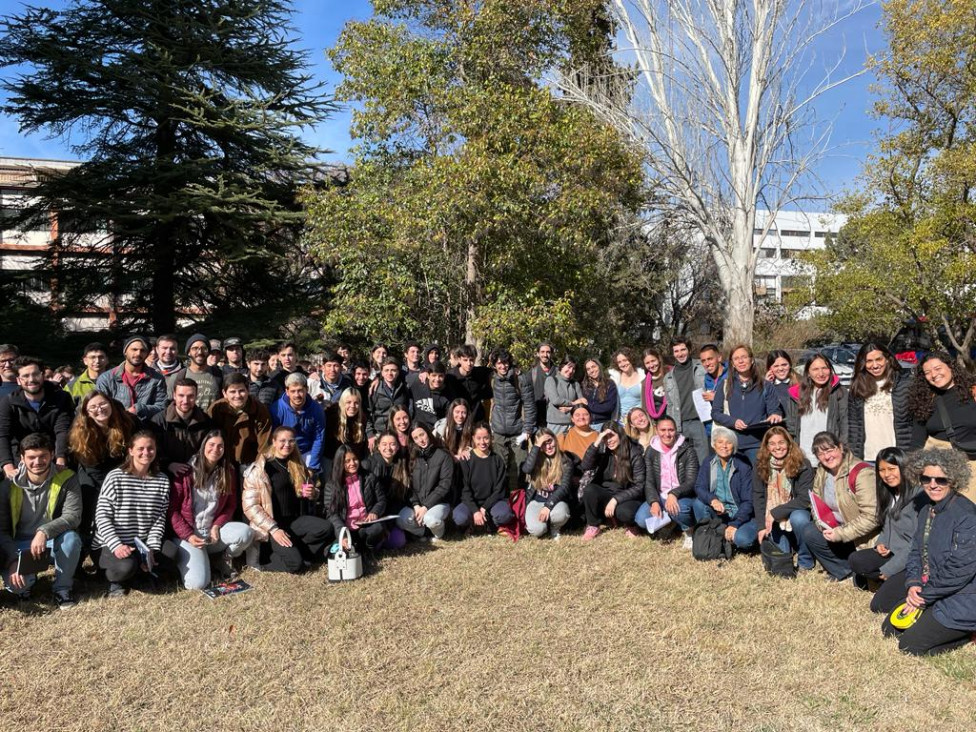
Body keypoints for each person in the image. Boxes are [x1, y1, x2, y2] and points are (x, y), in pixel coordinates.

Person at [875, 449, 976, 656]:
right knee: (889, 630)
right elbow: (915, 552)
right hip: (931, 588)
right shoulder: (926, 509)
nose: (933, 484)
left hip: (962, 596)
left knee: (909, 646)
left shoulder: (967, 516)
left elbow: (960, 570)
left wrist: (924, 595)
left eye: (941, 479)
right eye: (926, 478)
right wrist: (913, 584)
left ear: (954, 479)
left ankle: (966, 633)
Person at [0, 433, 82, 608]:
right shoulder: (8, 485)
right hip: (19, 546)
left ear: (52, 455)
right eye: (31, 457)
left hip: (51, 542)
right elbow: (2, 530)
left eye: (43, 456)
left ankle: (62, 589)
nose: (37, 462)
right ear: (21, 458)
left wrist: (44, 531)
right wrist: (14, 559)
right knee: (17, 587)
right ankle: (27, 582)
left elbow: (73, 516)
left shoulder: (67, 477)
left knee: (71, 539)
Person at [241, 426, 333, 573]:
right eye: (282, 441)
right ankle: (266, 560)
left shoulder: (297, 463)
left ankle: (300, 553)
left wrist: (312, 493)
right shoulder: (260, 470)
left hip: (293, 522)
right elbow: (250, 507)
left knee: (326, 528)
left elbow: (312, 490)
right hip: (272, 527)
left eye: (291, 441)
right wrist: (274, 529)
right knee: (296, 565)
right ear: (274, 442)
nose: (287, 445)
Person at [169, 431, 253, 589]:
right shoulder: (186, 472)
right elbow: (172, 510)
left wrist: (216, 526)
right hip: (189, 534)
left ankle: (221, 559)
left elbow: (230, 505)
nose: (216, 449)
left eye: (220, 446)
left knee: (246, 533)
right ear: (203, 447)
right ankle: (195, 559)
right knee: (197, 584)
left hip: (212, 532)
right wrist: (189, 535)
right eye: (211, 445)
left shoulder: (228, 471)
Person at [93, 431, 172, 598]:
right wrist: (116, 545)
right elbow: (102, 516)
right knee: (126, 566)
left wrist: (151, 548)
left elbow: (159, 518)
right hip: (110, 543)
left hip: (141, 543)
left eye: (150, 448)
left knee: (171, 553)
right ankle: (116, 581)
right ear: (130, 451)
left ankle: (140, 571)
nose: (146, 452)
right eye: (140, 448)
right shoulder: (116, 477)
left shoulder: (162, 480)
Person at [801, 431, 880, 580]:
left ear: (841, 448)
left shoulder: (862, 473)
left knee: (864, 579)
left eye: (830, 450)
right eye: (820, 453)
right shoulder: (822, 472)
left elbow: (872, 517)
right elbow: (816, 503)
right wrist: (822, 525)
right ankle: (844, 571)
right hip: (836, 528)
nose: (827, 456)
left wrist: (840, 533)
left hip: (863, 536)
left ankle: (859, 571)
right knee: (810, 531)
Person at [68, 392, 136, 548]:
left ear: (110, 404)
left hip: (123, 472)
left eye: (103, 404)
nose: (99, 409)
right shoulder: (81, 432)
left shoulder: (127, 422)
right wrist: (110, 488)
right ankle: (85, 541)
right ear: (86, 411)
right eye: (93, 407)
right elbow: (90, 466)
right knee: (90, 497)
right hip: (92, 474)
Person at [848, 447, 923, 588]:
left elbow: (917, 543)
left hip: (911, 557)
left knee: (880, 604)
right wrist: (880, 544)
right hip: (891, 553)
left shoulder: (919, 496)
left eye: (891, 468)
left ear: (903, 467)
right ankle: (883, 580)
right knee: (855, 560)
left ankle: (890, 580)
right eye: (882, 470)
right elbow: (886, 527)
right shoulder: (889, 493)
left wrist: (888, 570)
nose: (886, 474)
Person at [908, 351, 976, 499]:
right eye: (927, 372)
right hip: (939, 475)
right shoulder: (925, 401)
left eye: (938, 368)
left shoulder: (973, 392)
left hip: (972, 469)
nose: (933, 374)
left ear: (951, 367)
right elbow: (916, 443)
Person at [751, 426, 816, 570]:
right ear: (767, 447)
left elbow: (805, 499)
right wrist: (761, 526)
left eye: (781, 442)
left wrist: (775, 512)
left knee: (799, 519)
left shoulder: (802, 464)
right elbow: (758, 495)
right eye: (772, 444)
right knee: (781, 558)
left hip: (795, 509)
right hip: (772, 516)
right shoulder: (760, 465)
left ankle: (805, 560)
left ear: (788, 443)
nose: (777, 447)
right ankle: (790, 548)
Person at [0, 356, 75, 479]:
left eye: (35, 374)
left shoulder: (61, 397)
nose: (31, 379)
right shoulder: (8, 402)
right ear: (18, 380)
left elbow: (62, 429)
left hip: (54, 456)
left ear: (43, 375)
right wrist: (7, 466)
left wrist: (61, 458)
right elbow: (3, 435)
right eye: (25, 376)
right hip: (20, 459)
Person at [711, 344, 784, 465]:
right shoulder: (724, 385)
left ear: (751, 360)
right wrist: (732, 421)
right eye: (736, 358)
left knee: (757, 481)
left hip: (757, 444)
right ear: (732, 363)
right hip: (731, 444)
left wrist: (775, 415)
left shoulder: (766, 386)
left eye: (744, 357)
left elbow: (774, 410)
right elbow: (715, 413)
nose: (741, 361)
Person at [635, 415, 700, 544]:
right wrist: (653, 501)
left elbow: (692, 481)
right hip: (660, 495)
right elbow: (649, 481)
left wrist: (674, 493)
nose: (667, 434)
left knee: (679, 509)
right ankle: (670, 523)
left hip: (682, 495)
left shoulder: (687, 450)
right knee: (641, 520)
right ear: (657, 430)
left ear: (676, 430)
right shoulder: (651, 451)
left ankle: (688, 530)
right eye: (663, 430)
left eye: (670, 430)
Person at [690, 426, 757, 551]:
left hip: (740, 514)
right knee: (699, 504)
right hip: (719, 512)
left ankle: (728, 535)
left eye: (729, 443)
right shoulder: (708, 462)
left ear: (734, 446)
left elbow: (748, 501)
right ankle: (709, 535)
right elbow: (699, 487)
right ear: (714, 445)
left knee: (743, 540)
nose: (724, 446)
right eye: (720, 442)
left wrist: (735, 524)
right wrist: (713, 500)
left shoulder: (743, 467)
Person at [847, 342, 914, 460]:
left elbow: (914, 423)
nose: (875, 365)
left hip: (898, 457)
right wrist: (854, 456)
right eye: (869, 361)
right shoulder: (857, 388)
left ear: (887, 359)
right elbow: (854, 425)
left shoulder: (904, 384)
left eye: (879, 359)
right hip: (868, 457)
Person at [580, 423, 646, 540]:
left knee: (625, 513)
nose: (608, 440)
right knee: (590, 490)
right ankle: (593, 525)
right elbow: (585, 466)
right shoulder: (602, 450)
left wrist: (616, 499)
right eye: (605, 437)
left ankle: (630, 525)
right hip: (606, 493)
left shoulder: (634, 452)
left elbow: (639, 486)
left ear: (620, 435)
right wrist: (597, 442)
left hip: (627, 496)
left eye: (611, 436)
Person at [784, 353, 849, 465]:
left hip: (830, 456)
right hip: (803, 455)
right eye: (815, 369)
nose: (821, 373)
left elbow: (845, 423)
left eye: (825, 368)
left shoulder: (839, 392)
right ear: (808, 373)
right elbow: (791, 425)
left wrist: (842, 449)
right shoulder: (796, 393)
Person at [324, 445, 389, 554]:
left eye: (355, 459)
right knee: (335, 552)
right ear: (340, 463)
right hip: (346, 528)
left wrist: (374, 512)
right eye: (347, 461)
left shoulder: (370, 477)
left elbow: (381, 500)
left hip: (365, 526)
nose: (352, 463)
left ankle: (368, 549)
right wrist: (342, 534)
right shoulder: (332, 485)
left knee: (378, 528)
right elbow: (332, 513)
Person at [488, 349, 536, 493]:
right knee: (499, 467)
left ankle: (518, 500)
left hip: (518, 430)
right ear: (494, 365)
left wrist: (528, 429)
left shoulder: (520, 378)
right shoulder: (491, 378)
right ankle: (500, 499)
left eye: (506, 363)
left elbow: (529, 404)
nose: (503, 367)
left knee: (519, 466)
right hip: (498, 430)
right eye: (499, 364)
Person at [397, 423, 454, 541]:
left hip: (439, 502)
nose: (421, 440)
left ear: (428, 433)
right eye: (416, 438)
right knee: (401, 518)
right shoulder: (413, 458)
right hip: (419, 505)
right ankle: (425, 533)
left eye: (422, 435)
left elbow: (444, 485)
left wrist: (426, 506)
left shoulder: (443, 455)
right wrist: (416, 505)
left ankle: (439, 534)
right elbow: (410, 486)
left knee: (431, 520)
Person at [454, 423, 515, 533]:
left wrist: (484, 508)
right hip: (471, 502)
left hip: (492, 502)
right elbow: (465, 490)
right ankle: (473, 523)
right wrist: (475, 510)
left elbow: (499, 490)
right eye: (478, 438)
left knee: (504, 514)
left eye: (486, 438)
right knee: (459, 517)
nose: (482, 442)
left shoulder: (497, 460)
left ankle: (491, 524)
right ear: (473, 438)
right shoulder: (466, 460)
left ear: (491, 438)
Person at [95, 335, 168, 420]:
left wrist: (139, 409)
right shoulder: (106, 378)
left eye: (142, 350)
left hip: (146, 428)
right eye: (134, 349)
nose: (138, 354)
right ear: (125, 352)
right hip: (116, 427)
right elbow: (100, 406)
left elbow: (161, 407)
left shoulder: (157, 379)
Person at [207, 373, 273, 466]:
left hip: (249, 461)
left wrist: (258, 467)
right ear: (224, 393)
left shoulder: (259, 410)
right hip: (221, 459)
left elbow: (265, 444)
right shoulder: (216, 409)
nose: (237, 396)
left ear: (248, 390)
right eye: (232, 392)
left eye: (241, 391)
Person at [663, 338, 709, 464]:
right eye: (676, 351)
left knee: (703, 461)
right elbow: (670, 404)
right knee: (685, 463)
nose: (680, 353)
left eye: (683, 349)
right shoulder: (668, 377)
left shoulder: (701, 367)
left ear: (689, 350)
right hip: (680, 425)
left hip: (699, 421)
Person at [149, 378, 212, 470]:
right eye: (181, 395)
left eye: (190, 396)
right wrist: (168, 464)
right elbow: (153, 449)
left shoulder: (206, 422)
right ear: (174, 395)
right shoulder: (158, 421)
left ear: (196, 396)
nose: (185, 401)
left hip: (197, 472)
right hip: (166, 472)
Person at [269, 372, 326, 473]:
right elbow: (273, 436)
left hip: (306, 451)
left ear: (306, 390)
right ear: (287, 391)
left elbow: (318, 438)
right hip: (283, 450)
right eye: (293, 391)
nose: (297, 395)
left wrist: (313, 466)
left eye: (300, 391)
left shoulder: (316, 409)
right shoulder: (277, 409)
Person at [521, 429, 572, 539]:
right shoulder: (536, 459)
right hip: (537, 501)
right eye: (543, 444)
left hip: (556, 501)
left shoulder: (565, 460)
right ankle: (545, 526)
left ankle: (555, 527)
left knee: (560, 515)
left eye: (549, 441)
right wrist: (537, 446)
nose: (548, 447)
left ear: (555, 440)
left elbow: (564, 487)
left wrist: (548, 506)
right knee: (537, 530)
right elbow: (526, 469)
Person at [166, 334, 223, 411]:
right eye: (195, 348)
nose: (199, 352)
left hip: (213, 422)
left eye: (204, 348)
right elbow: (169, 406)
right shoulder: (177, 377)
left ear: (208, 352)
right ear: (188, 352)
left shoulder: (219, 375)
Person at [367, 357, 409, 448]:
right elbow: (368, 412)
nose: (389, 373)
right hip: (380, 432)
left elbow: (410, 408)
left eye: (393, 370)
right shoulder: (374, 389)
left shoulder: (404, 387)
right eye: (386, 370)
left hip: (400, 432)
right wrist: (370, 434)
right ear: (382, 372)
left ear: (398, 372)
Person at [447, 344, 491, 421]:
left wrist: (515, 369)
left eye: (471, 360)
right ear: (459, 359)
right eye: (465, 360)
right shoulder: (450, 376)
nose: (469, 363)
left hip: (477, 418)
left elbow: (499, 369)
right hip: (459, 419)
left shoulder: (480, 372)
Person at [545, 356, 585, 434]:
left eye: (573, 369)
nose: (571, 371)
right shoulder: (551, 380)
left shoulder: (575, 384)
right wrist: (574, 403)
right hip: (555, 424)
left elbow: (582, 402)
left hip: (573, 423)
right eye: (569, 367)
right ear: (562, 367)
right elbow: (556, 400)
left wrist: (570, 408)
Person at [409, 361, 455, 429]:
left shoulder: (448, 395)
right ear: (428, 375)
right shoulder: (417, 385)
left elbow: (448, 418)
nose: (437, 379)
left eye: (440, 376)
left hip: (435, 430)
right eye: (434, 375)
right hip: (417, 428)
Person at [699, 343, 727, 438]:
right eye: (703, 361)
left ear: (719, 358)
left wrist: (717, 398)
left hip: (729, 429)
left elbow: (740, 401)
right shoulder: (704, 379)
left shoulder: (732, 375)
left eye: (710, 359)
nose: (707, 364)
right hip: (711, 432)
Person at [582, 357, 618, 430]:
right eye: (588, 369)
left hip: (604, 425)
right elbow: (581, 404)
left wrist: (588, 404)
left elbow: (608, 408)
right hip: (587, 426)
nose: (591, 370)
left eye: (593, 367)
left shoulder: (609, 384)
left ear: (599, 366)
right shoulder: (586, 386)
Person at [609, 348, 644, 422]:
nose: (623, 364)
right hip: (620, 421)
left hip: (639, 420)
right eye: (619, 362)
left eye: (625, 360)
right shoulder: (615, 378)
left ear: (631, 359)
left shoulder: (642, 376)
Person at [529, 342, 556, 429]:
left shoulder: (558, 372)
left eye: (548, 352)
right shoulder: (532, 373)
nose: (545, 355)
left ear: (551, 354)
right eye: (542, 352)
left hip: (555, 418)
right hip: (537, 419)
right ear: (537, 354)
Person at [764, 349, 798, 415]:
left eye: (784, 365)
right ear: (770, 369)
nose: (781, 369)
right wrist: (766, 385)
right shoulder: (765, 387)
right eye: (776, 366)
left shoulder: (800, 384)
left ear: (790, 365)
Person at [641, 348, 669, 422]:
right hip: (657, 420)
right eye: (647, 363)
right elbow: (645, 406)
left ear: (659, 359)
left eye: (653, 361)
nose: (651, 365)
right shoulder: (645, 383)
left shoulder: (670, 374)